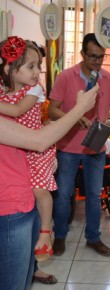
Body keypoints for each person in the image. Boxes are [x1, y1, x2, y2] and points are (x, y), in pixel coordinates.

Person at [0, 71, 98, 290]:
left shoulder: (14, 94)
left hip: (22, 200)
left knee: (20, 283)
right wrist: (79, 108)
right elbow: (37, 141)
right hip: (9, 207)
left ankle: (43, 237)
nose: (36, 72)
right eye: (30, 65)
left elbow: (28, 132)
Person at [48, 33, 110, 257]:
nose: (97, 62)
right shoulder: (66, 77)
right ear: (82, 54)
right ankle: (59, 235)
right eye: (92, 56)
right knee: (63, 194)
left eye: (101, 57)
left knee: (94, 194)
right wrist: (74, 116)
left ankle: (93, 237)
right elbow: (52, 110)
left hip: (95, 147)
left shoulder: (108, 79)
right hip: (68, 146)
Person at [0, 36, 55, 262]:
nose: (36, 72)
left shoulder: (34, 91)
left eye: (39, 67)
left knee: (40, 190)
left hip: (36, 148)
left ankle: (45, 230)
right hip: (19, 151)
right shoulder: (3, 90)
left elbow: (16, 112)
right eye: (31, 66)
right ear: (10, 69)